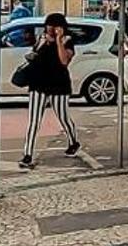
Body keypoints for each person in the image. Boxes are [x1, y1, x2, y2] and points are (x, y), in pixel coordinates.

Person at [20, 12, 83, 169]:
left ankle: (73, 141)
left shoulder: (67, 41)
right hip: (38, 83)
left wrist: (59, 41)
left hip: (58, 84)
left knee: (63, 116)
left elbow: (64, 61)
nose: (50, 28)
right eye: (48, 25)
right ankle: (28, 154)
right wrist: (39, 46)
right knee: (34, 120)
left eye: (53, 26)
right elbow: (34, 55)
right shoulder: (42, 38)